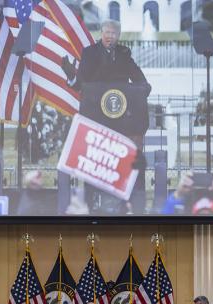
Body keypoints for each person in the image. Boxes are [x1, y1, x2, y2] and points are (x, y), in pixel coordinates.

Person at [61, 19, 150, 215]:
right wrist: (71, 77)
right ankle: (92, 204)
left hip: (122, 121)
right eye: (107, 33)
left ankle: (126, 204)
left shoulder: (124, 54)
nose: (110, 37)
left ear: (118, 36)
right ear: (101, 33)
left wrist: (144, 87)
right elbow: (81, 86)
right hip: (95, 117)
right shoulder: (89, 53)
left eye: (114, 34)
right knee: (96, 159)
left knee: (120, 163)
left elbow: (138, 79)